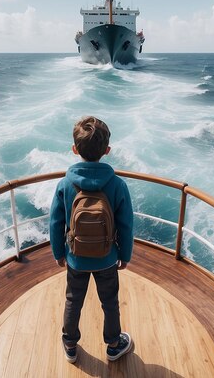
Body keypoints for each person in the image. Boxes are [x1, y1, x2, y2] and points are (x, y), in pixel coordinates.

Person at [49, 116, 134, 364]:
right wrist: (125, 255)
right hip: (107, 258)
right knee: (110, 302)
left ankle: (70, 344)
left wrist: (58, 252)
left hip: (76, 257)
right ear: (107, 151)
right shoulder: (117, 185)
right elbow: (126, 226)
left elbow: (55, 222)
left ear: (75, 150)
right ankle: (114, 345)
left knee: (73, 300)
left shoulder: (65, 184)